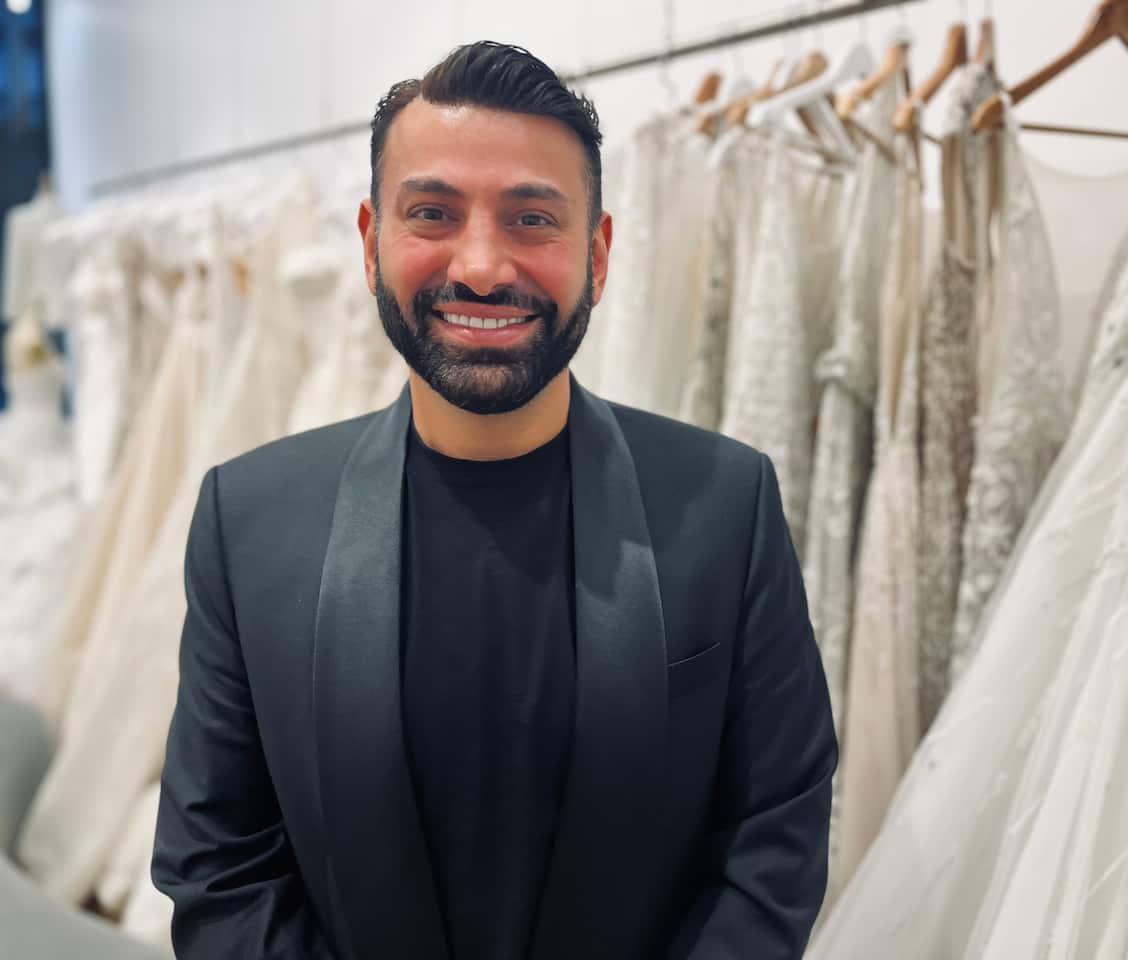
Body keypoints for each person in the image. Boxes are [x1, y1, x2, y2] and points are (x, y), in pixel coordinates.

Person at [152, 41, 837, 960]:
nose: (480, 266)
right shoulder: (252, 521)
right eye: (432, 213)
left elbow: (773, 841)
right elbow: (221, 865)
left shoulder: (725, 504)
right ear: (372, 242)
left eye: (532, 220)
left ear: (596, 254)